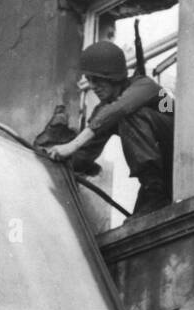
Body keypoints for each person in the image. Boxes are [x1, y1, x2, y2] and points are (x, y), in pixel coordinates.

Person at [44, 41, 173, 217]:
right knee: (138, 224)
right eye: (89, 80)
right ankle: (153, 189)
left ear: (113, 77)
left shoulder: (144, 85)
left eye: (96, 79)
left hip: (182, 156)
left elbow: (118, 110)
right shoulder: (104, 110)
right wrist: (49, 161)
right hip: (160, 172)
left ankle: (154, 189)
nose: (92, 85)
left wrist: (71, 145)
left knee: (129, 114)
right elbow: (84, 153)